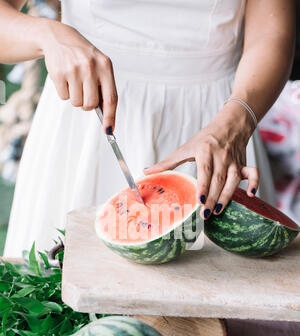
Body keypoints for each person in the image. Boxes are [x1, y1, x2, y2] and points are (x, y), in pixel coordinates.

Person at [1, 0, 295, 257]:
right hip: (85, 122)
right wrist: (47, 35)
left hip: (220, 126)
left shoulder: (229, 126)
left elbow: (272, 33)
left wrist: (236, 122)